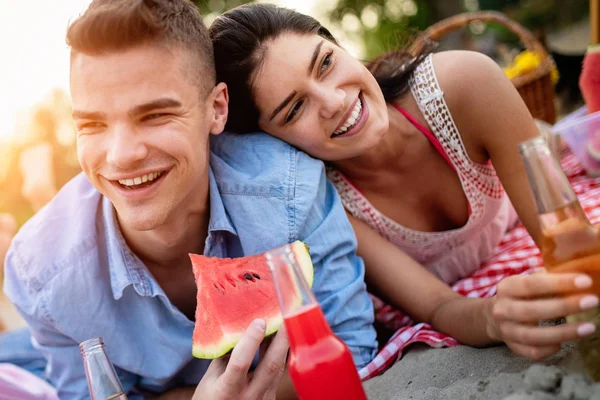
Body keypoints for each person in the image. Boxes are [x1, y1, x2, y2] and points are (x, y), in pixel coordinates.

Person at [0, 0, 378, 398]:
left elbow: (352, 344)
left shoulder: (287, 189)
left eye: (155, 116)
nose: (122, 154)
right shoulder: (39, 274)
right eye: (93, 124)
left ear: (216, 109)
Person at [209, 3, 599, 361]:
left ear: (338, 45)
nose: (333, 102)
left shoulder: (467, 82)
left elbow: (567, 239)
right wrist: (495, 317)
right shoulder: (328, 208)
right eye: (295, 109)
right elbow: (439, 307)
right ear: (274, 142)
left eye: (325, 63)